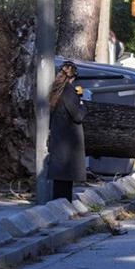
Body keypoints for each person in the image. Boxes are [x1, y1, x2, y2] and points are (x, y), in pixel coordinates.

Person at [47, 61, 86, 202]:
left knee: (60, 179)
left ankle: (58, 203)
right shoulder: (69, 92)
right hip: (68, 140)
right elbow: (77, 116)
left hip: (58, 136)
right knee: (66, 178)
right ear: (73, 77)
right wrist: (81, 102)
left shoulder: (56, 90)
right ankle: (64, 205)